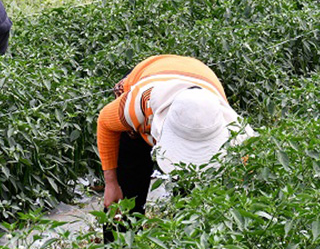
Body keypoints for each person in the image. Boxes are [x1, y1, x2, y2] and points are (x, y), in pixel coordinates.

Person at [97, 55, 252, 241]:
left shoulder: (227, 123)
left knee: (193, 206)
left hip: (201, 81)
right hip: (149, 82)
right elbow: (106, 123)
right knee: (125, 200)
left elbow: (244, 168)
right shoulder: (140, 103)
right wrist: (112, 183)